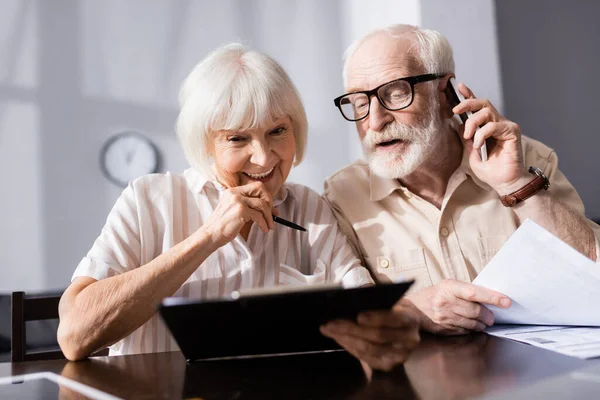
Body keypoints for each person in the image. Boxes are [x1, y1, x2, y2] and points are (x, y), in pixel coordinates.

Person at [57, 43, 420, 368]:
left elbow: (368, 310)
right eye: (237, 138)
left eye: (277, 131)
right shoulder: (147, 200)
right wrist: (209, 236)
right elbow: (74, 336)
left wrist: (398, 325)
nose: (263, 158)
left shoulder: (308, 206)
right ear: (206, 144)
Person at [322, 24, 600, 339]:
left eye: (396, 93)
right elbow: (350, 323)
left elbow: (594, 270)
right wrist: (409, 311)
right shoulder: (342, 196)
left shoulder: (527, 160)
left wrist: (516, 186)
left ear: (445, 95)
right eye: (360, 103)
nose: (375, 121)